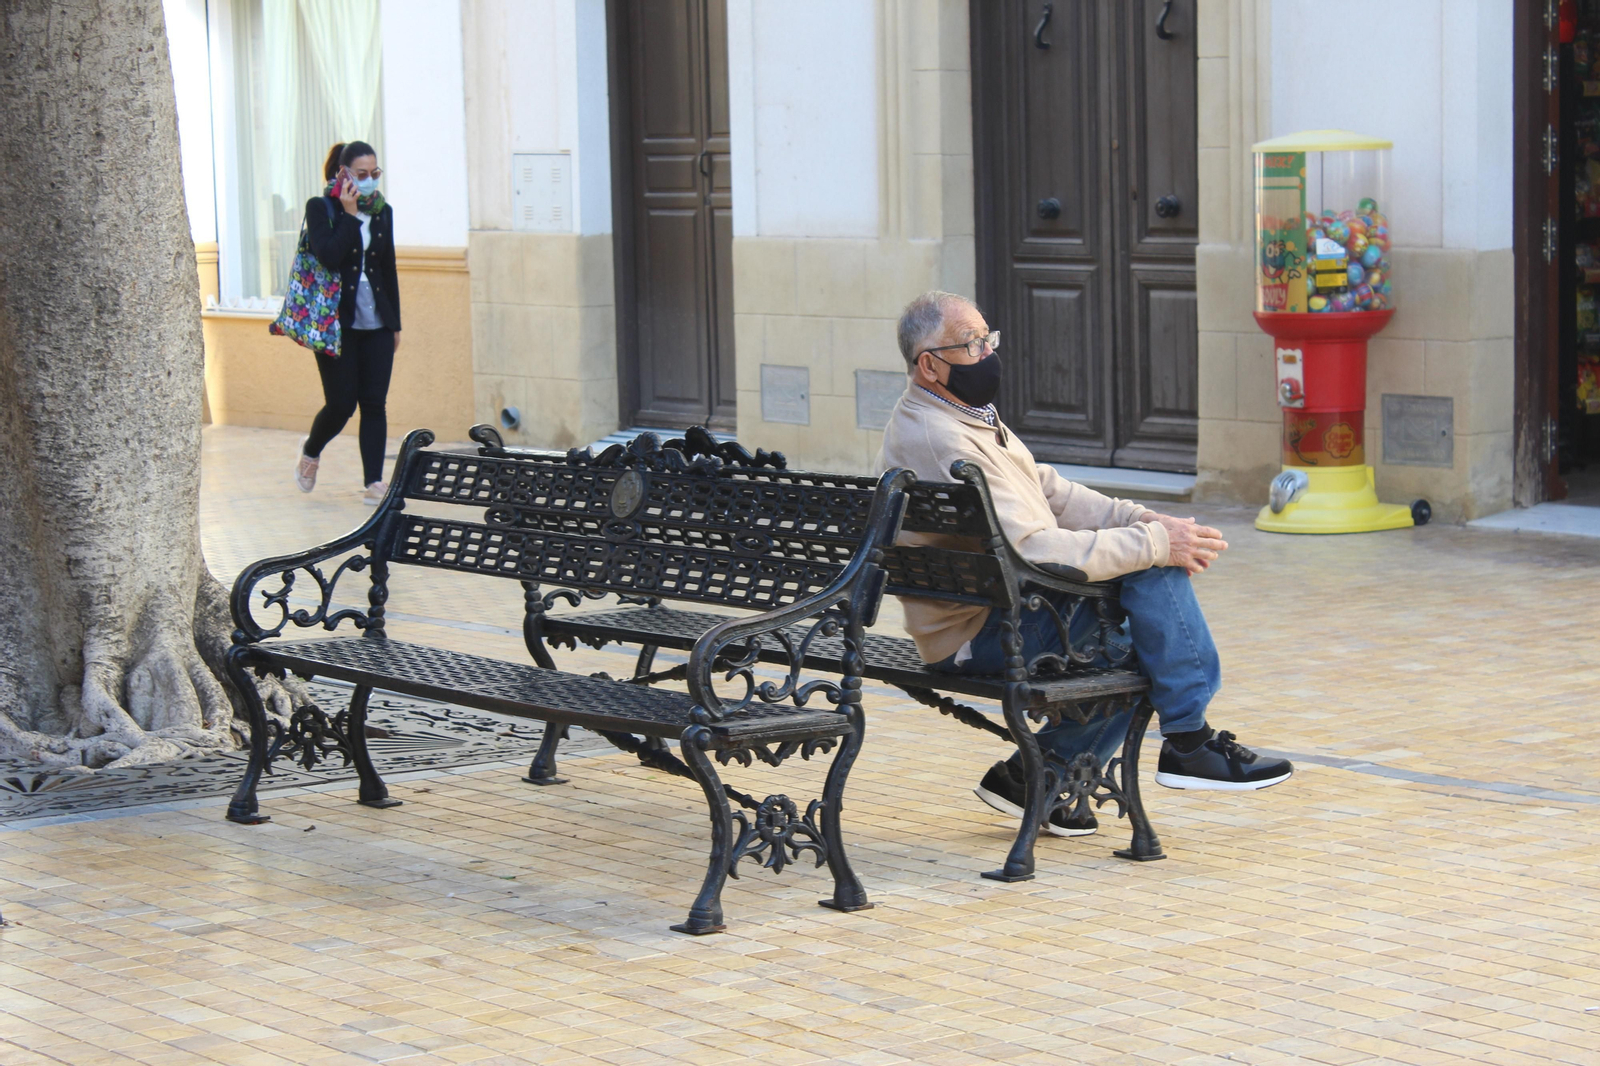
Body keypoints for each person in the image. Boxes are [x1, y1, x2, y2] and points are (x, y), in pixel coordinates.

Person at [876, 291, 1291, 837]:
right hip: (984, 632)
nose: (987, 353)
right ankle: (1189, 741)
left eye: (987, 339)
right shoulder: (943, 438)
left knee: (1148, 575)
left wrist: (1139, 517)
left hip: (1000, 608)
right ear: (929, 364)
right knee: (1149, 590)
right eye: (972, 345)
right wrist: (1154, 542)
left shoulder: (956, 415)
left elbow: (1049, 489)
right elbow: (1033, 549)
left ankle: (1036, 777)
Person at [293, 141, 401, 505]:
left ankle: (374, 482)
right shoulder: (320, 208)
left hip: (378, 322)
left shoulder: (383, 211)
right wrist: (350, 214)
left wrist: (395, 323)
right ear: (343, 174)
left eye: (375, 174)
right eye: (361, 174)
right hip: (335, 324)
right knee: (341, 404)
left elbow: (388, 269)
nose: (369, 181)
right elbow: (329, 254)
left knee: (374, 403)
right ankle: (311, 451)